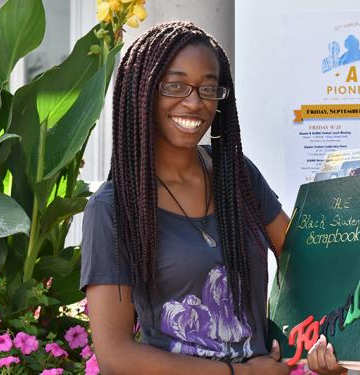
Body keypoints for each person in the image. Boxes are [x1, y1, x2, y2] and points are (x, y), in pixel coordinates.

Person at [80, 21, 345, 375]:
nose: (194, 102)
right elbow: (116, 357)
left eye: (209, 88)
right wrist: (243, 373)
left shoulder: (236, 175)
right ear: (143, 93)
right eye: (175, 85)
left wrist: (325, 343)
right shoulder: (114, 208)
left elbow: (304, 263)